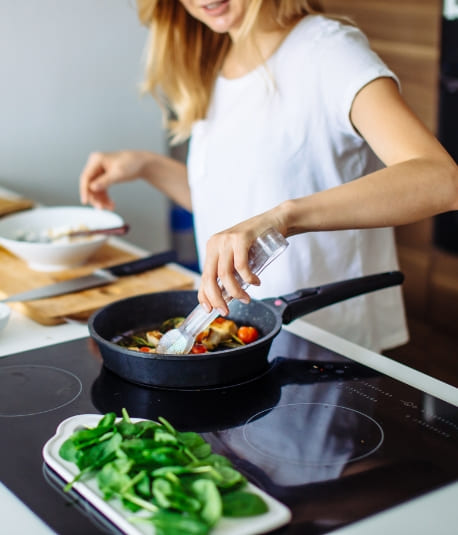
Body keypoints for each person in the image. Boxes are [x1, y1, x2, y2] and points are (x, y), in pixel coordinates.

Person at [79, 0, 458, 353]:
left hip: (324, 343)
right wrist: (148, 165)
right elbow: (237, 206)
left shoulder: (328, 51)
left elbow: (442, 180)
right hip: (242, 340)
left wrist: (283, 219)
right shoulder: (218, 59)